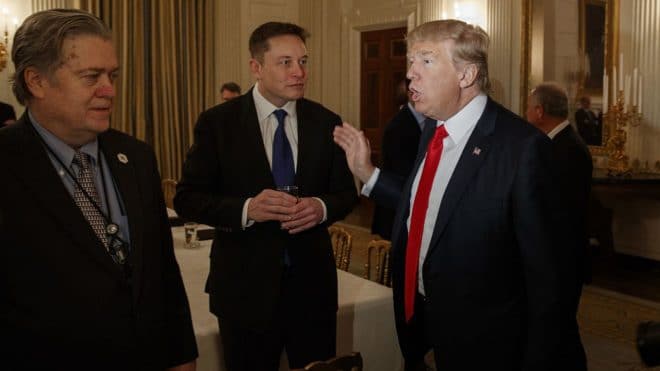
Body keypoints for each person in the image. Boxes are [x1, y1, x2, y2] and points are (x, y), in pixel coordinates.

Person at [334, 19, 579, 370]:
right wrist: (368, 174)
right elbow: (432, 204)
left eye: (426, 61)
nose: (411, 75)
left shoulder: (524, 149)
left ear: (466, 75)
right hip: (423, 328)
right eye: (411, 62)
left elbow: (550, 277)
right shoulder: (433, 129)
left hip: (488, 345)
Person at [0, 9, 197, 370]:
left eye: (112, 75)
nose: (109, 89)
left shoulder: (136, 156)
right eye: (91, 76)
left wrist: (182, 354)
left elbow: (162, 272)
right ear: (36, 81)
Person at [174, 21, 357, 371]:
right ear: (256, 67)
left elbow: (346, 194)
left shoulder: (325, 121)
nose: (299, 72)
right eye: (285, 62)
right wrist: (247, 209)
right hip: (244, 291)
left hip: (312, 290)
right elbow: (188, 198)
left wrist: (321, 208)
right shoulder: (218, 123)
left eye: (303, 61)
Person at [526, 82, 592, 370]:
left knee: (561, 327)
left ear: (540, 111)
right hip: (555, 255)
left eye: (529, 107)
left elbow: (558, 211)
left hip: (562, 258)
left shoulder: (567, 149)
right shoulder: (555, 144)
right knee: (556, 329)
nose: (526, 113)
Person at [371, 79, 429, 239]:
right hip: (396, 211)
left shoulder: (432, 120)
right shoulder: (397, 127)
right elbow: (402, 175)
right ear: (412, 94)